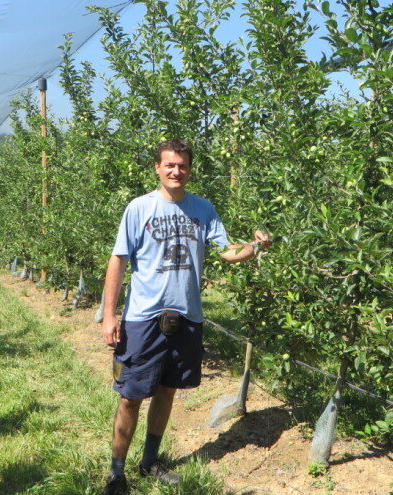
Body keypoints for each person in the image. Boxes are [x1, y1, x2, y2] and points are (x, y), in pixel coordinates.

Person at [100, 138, 270, 494]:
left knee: (167, 390)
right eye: (169, 165)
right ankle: (117, 472)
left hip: (187, 317)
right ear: (158, 168)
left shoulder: (203, 209)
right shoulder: (139, 208)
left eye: (182, 166)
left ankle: (150, 462)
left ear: (189, 170)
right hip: (143, 318)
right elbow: (118, 259)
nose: (176, 171)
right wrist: (109, 314)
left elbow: (227, 252)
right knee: (131, 395)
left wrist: (255, 247)